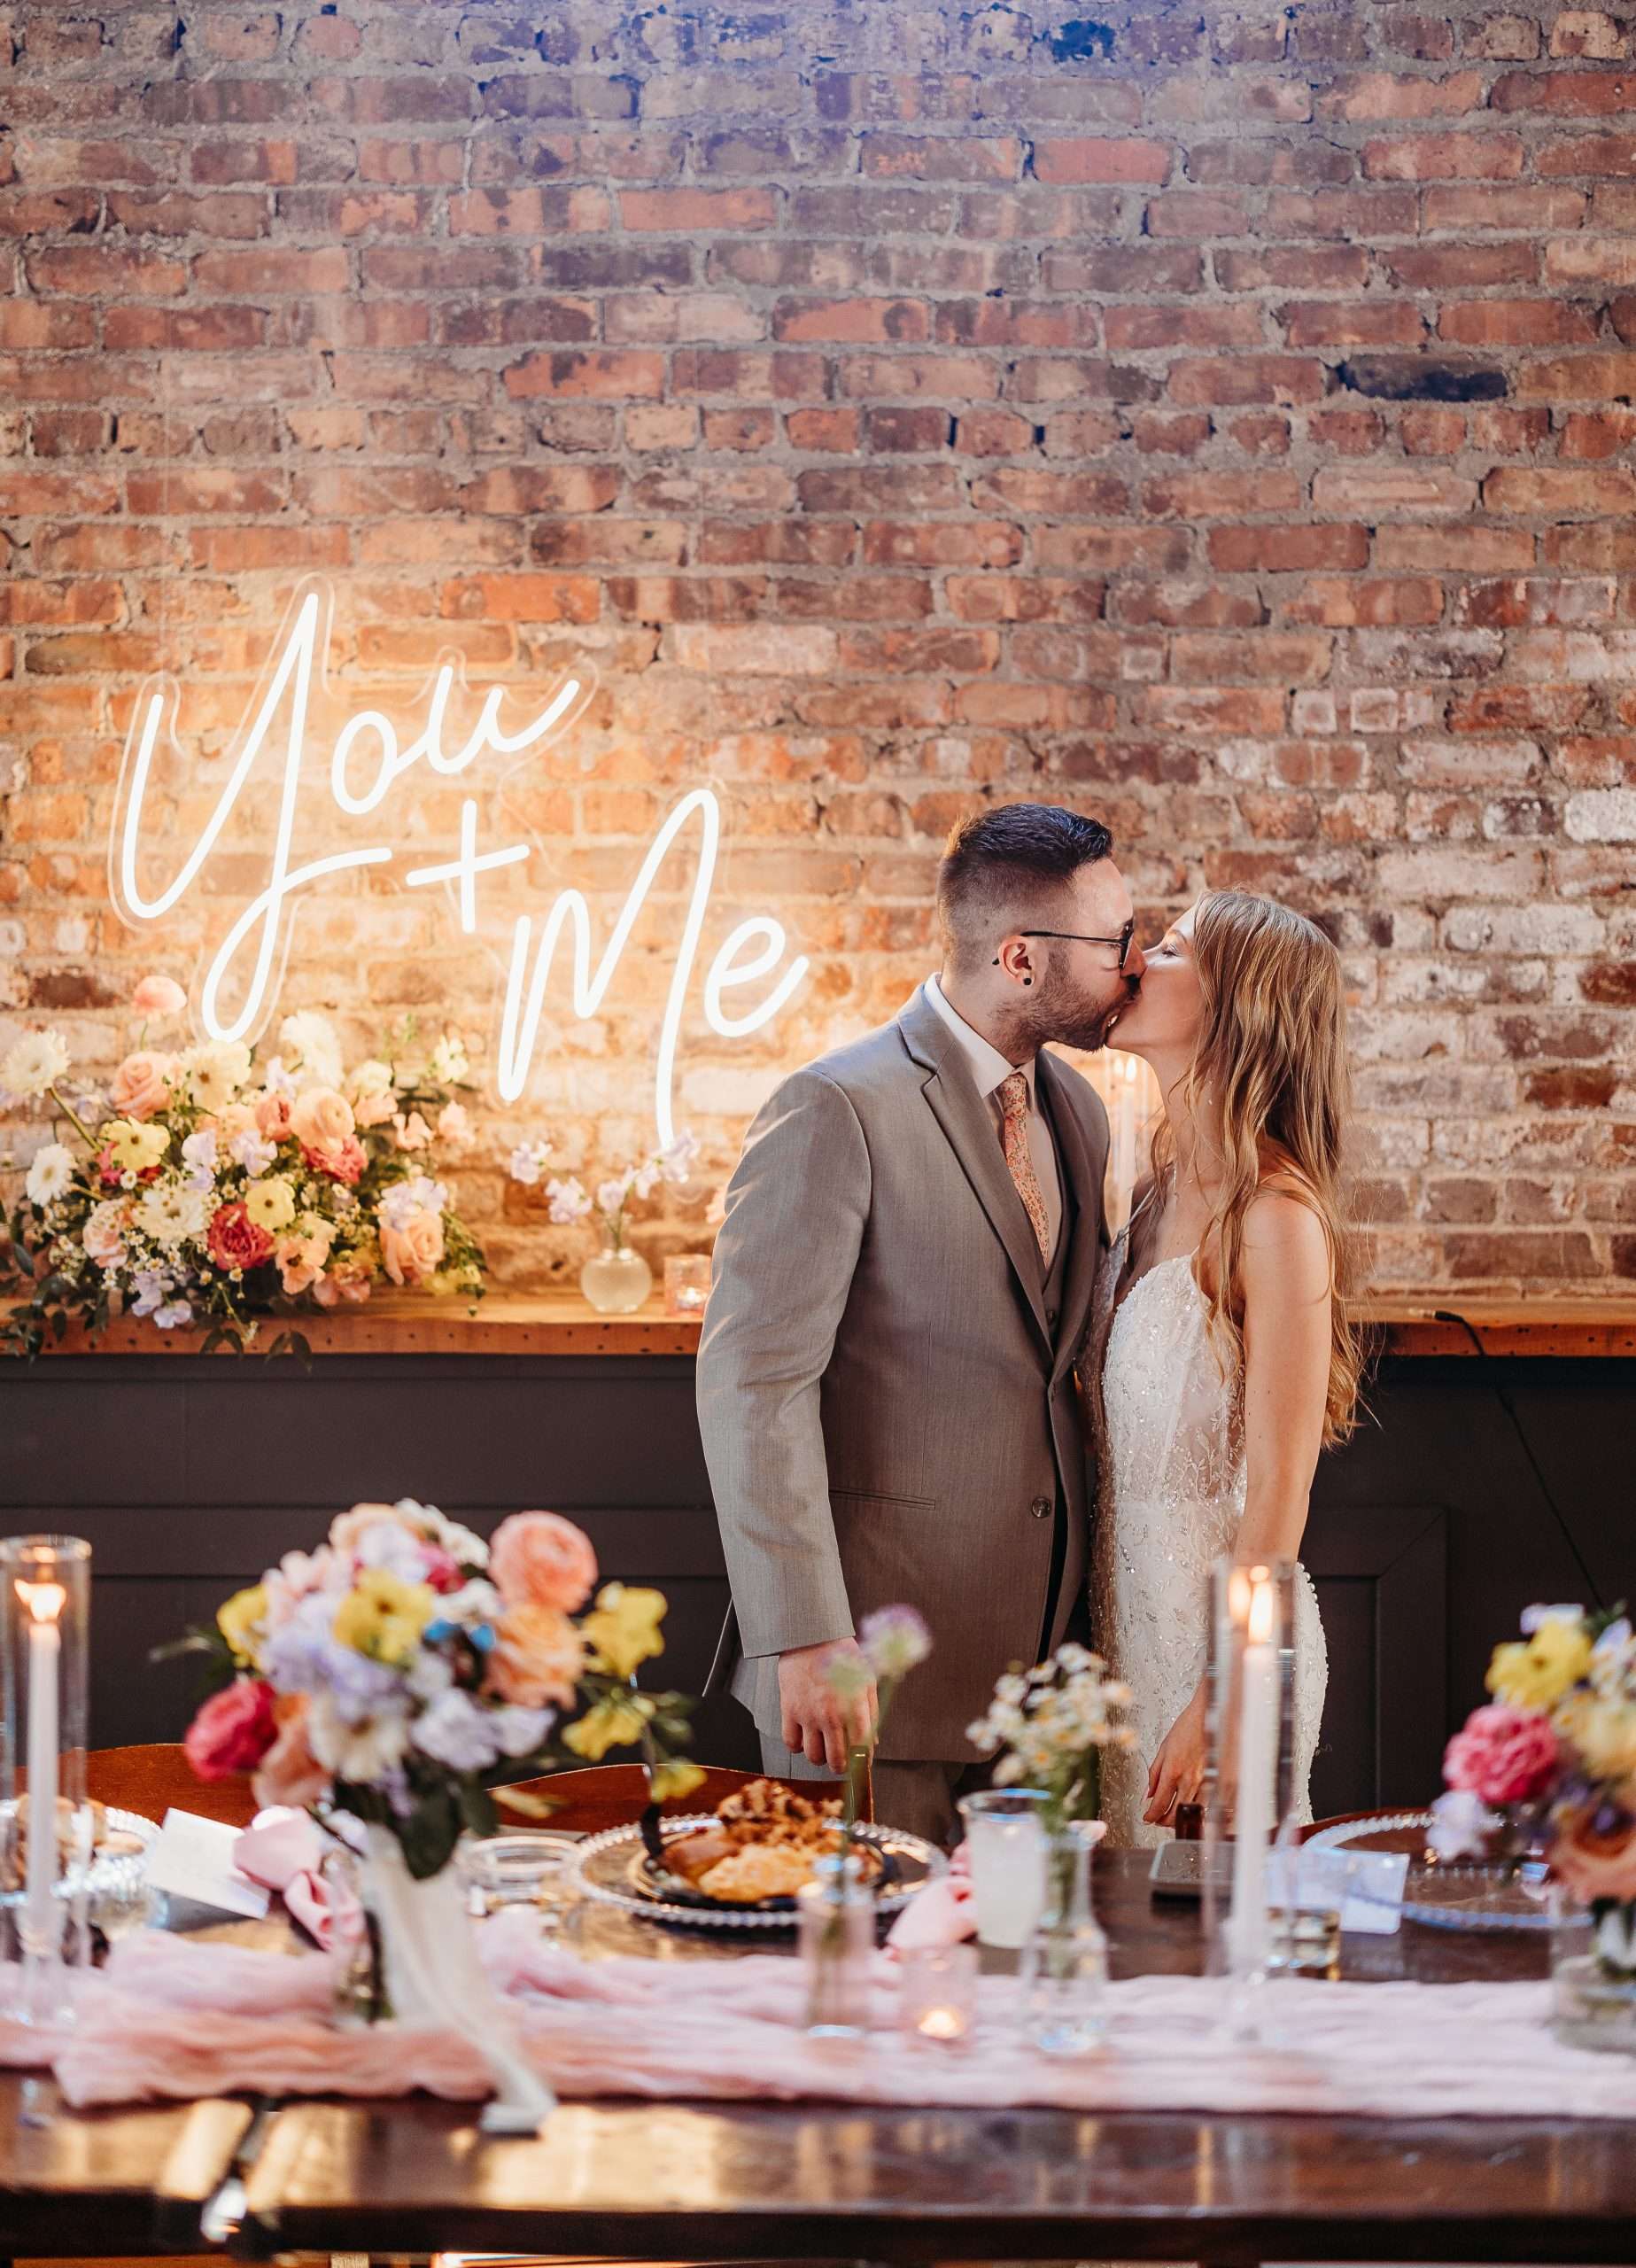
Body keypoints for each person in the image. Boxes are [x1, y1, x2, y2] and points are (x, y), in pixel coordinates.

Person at [697, 803, 1144, 1847]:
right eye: (1114, 940)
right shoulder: (833, 1107)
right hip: (860, 1676)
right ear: (1019, 957)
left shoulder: (1079, 1112)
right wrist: (804, 1635)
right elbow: (753, 1386)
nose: (1133, 964)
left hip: (1035, 1681)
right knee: (857, 1946)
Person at [1086, 891, 1363, 1848]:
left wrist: (1220, 1690)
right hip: (1117, 1635)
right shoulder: (1149, 1195)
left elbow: (1281, 1488)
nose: (1133, 960)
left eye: (1168, 949)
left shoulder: (1275, 1217)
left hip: (1219, 1655)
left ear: (1235, 1005)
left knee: (1211, 1925)